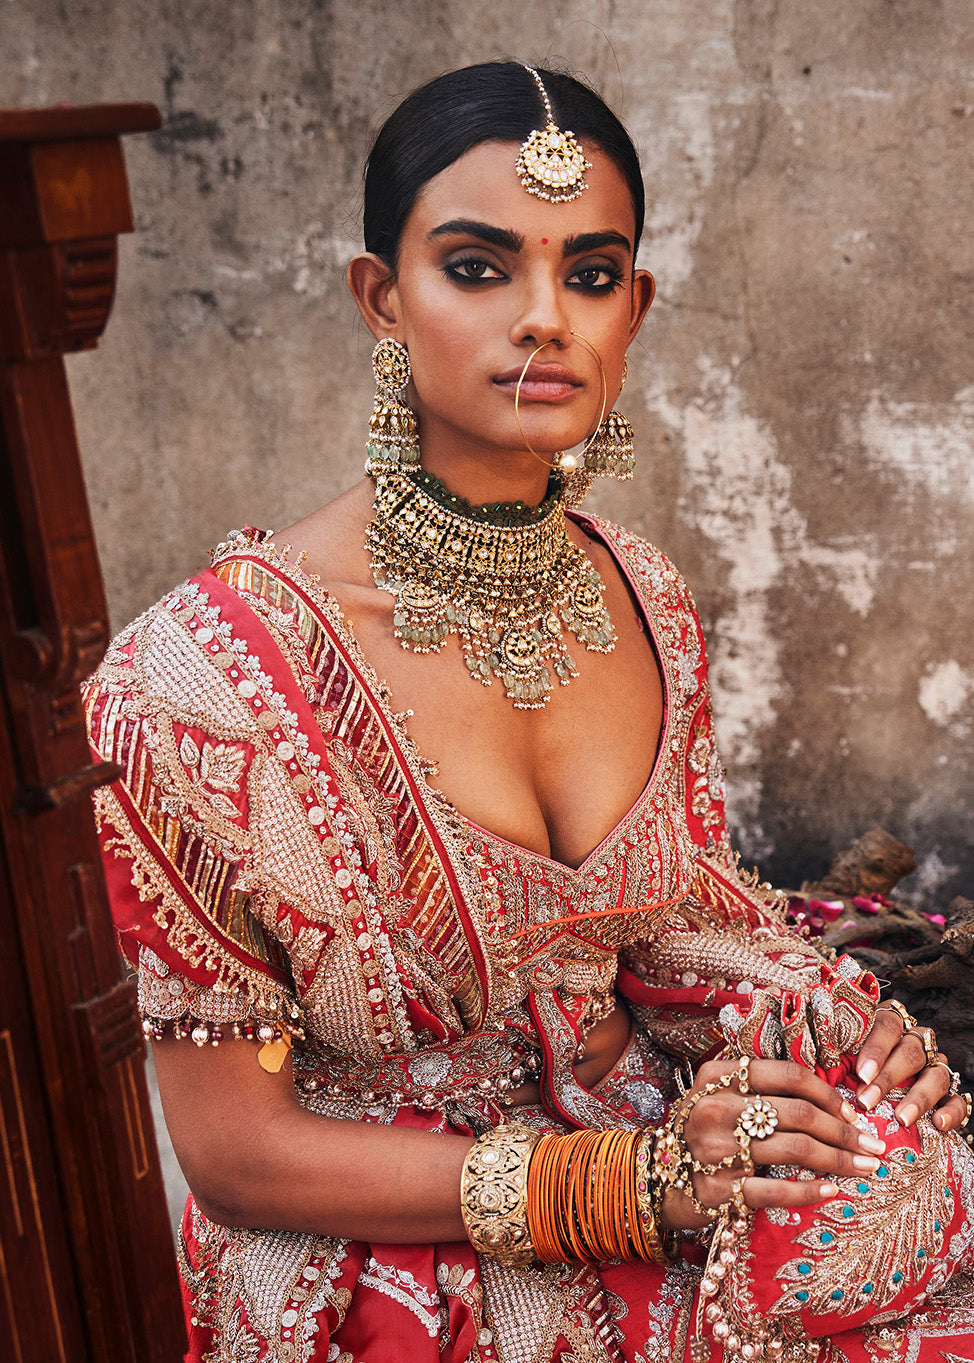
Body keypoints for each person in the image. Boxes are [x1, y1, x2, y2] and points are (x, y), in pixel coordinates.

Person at [84, 61, 974, 1363]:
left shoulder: (643, 594)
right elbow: (233, 1156)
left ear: (637, 307)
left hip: (680, 1170)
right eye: (479, 267)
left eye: (592, 274)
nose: (545, 318)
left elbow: (679, 932)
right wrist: (614, 1188)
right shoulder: (199, 685)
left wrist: (847, 1032)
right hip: (385, 1255)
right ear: (380, 298)